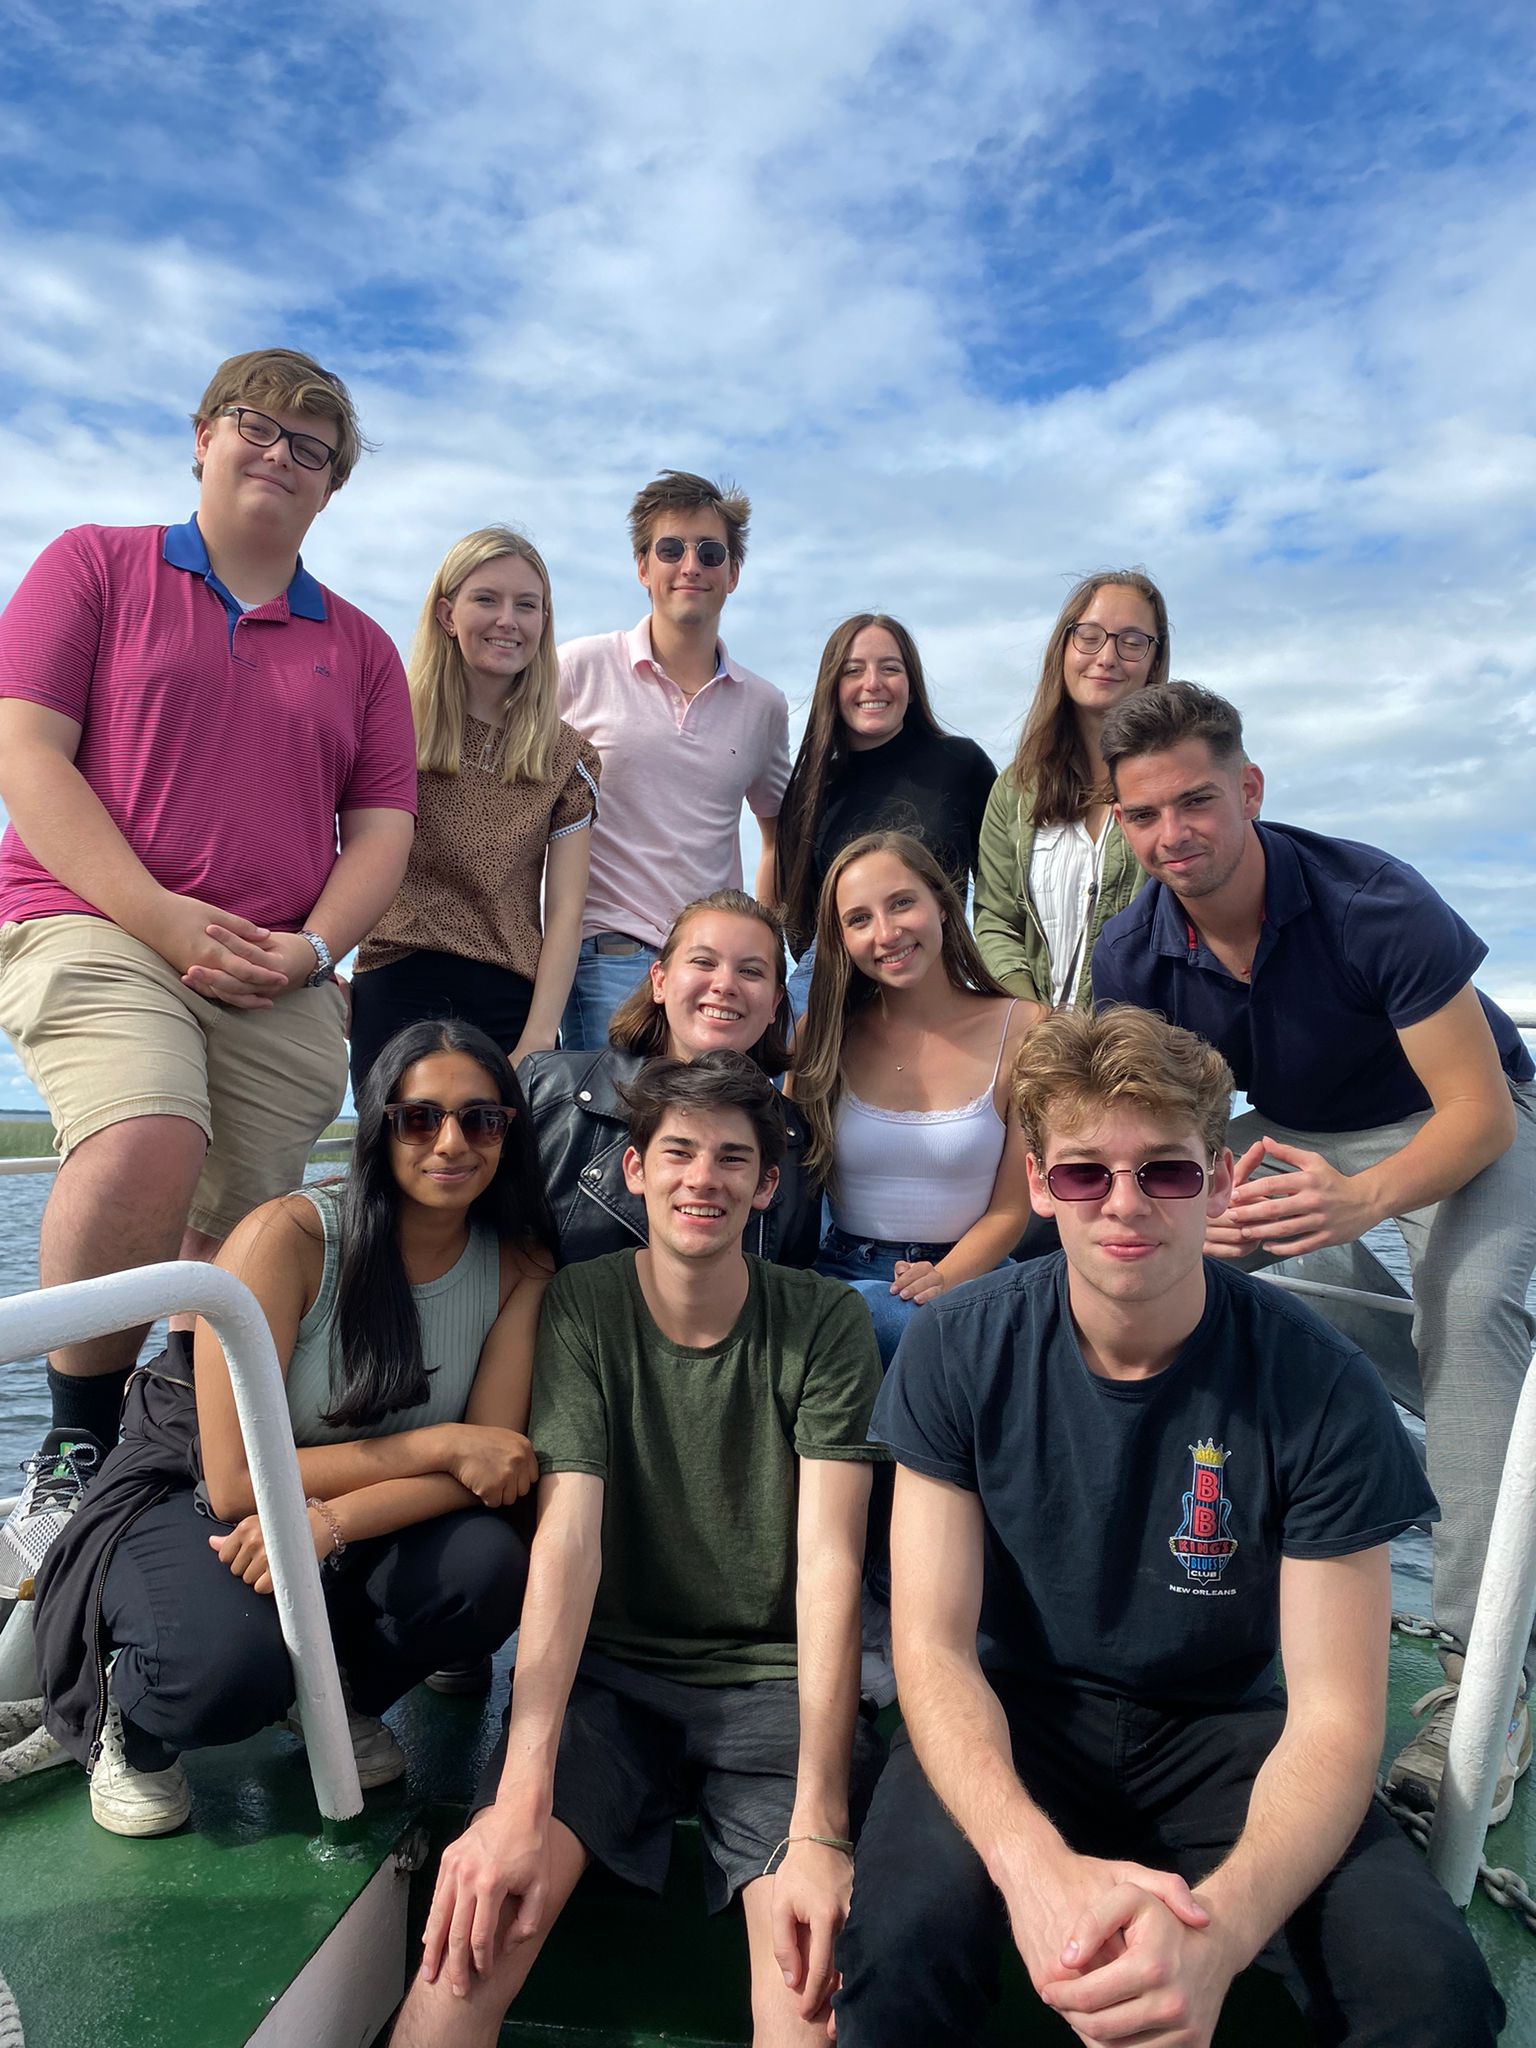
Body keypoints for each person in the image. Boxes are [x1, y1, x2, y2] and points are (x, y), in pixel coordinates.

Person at [834, 1005, 1502, 2047]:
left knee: (1435, 1997)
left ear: (1222, 1181)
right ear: (1041, 1184)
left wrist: (1221, 1934)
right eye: (1085, 1172)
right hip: (1017, 1709)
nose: (1125, 1204)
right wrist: (1032, 1867)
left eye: (1169, 1171)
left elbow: (1333, 1715)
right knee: (897, 1951)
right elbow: (931, 1646)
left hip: (1225, 1730)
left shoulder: (1316, 1381)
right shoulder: (958, 1349)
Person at [0, 347, 417, 1597]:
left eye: (313, 449)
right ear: (200, 436)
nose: (281, 457)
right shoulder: (95, 565)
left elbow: (383, 827)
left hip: (272, 967)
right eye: (259, 427)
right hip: (96, 921)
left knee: (244, 1247)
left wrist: (311, 946)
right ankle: (71, 1449)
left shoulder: (361, 647)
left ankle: (164, 1463)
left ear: (333, 489)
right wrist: (161, 914)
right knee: (145, 1138)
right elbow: (27, 752)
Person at [1093, 678, 1536, 1821]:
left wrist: (1360, 1203)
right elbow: (1168, 1122)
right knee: (1149, 1256)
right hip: (1290, 1130)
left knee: (1471, 1299)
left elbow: (1476, 1112)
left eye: (1195, 801)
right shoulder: (1136, 948)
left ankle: (1479, 1681)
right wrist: (1210, 1202)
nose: (1172, 835)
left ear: (1248, 788)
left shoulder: (1372, 899)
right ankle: (1172, 1602)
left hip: (1458, 1111)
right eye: (1142, 816)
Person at [392, 1052, 885, 2048]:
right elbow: (567, 1536)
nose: (703, 1177)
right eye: (679, 1152)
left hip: (776, 1688)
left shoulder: (826, 1322)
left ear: (768, 1185)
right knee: (462, 1957)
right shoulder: (582, 1305)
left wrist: (825, 1822)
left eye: (733, 1158)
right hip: (611, 1687)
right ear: (634, 1170)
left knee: (803, 2002)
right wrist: (519, 1792)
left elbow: (831, 1565)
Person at [34, 1019, 553, 1838]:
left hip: (344, 1506)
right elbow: (235, 1481)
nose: (451, 1142)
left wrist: (329, 1525)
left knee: (489, 1565)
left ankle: (330, 1697)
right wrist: (438, 1443)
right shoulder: (293, 1238)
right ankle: (134, 1729)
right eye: (421, 1118)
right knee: (220, 1672)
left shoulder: (518, 1266)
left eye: (481, 1119)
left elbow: (483, 1469)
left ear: (507, 1134)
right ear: (380, 1125)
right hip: (194, 1487)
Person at [349, 527, 600, 1091]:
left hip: (510, 997)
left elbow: (564, 910)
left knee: (505, 1173)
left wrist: (538, 1037)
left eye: (527, 605)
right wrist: (322, 968)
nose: (508, 619)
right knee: (395, 1167)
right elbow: (336, 852)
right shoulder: (387, 725)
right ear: (447, 614)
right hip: (394, 979)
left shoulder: (567, 757)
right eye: (487, 599)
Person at [555, 470, 790, 1049]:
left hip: (716, 975)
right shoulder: (577, 670)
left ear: (733, 574)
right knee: (613, 1136)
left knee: (711, 1133)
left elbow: (778, 832)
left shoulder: (763, 705)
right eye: (670, 549)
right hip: (607, 956)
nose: (691, 566)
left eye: (711, 553)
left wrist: (760, 938)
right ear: (643, 567)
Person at [793, 831, 1034, 1366]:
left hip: (975, 1275)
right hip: (846, 1276)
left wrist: (945, 1276)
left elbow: (1012, 1207)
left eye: (901, 903)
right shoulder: (821, 1035)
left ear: (944, 906)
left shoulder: (1026, 1028)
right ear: (841, 940)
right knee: (875, 1317)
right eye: (858, 919)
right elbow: (791, 1183)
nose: (886, 932)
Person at [520, 889, 819, 1268]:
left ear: (776, 1003)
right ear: (659, 981)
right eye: (703, 962)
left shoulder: (794, 1139)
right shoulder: (546, 1089)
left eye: (750, 971)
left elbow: (791, 1289)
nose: (725, 984)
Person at [772, 613, 995, 1011]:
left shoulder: (962, 764)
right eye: (853, 671)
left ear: (910, 687)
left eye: (890, 668)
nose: (872, 683)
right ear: (832, 689)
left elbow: (1000, 894)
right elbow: (801, 922)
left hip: (937, 977)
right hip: (834, 991)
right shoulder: (809, 790)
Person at [973, 569, 1168, 1010]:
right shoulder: (1015, 788)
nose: (1107, 656)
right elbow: (995, 920)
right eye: (1089, 635)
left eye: (1133, 641)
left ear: (1155, 661)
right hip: (1038, 1053)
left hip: (1143, 1051)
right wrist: (1035, 1024)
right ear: (1063, 647)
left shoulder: (1176, 780)